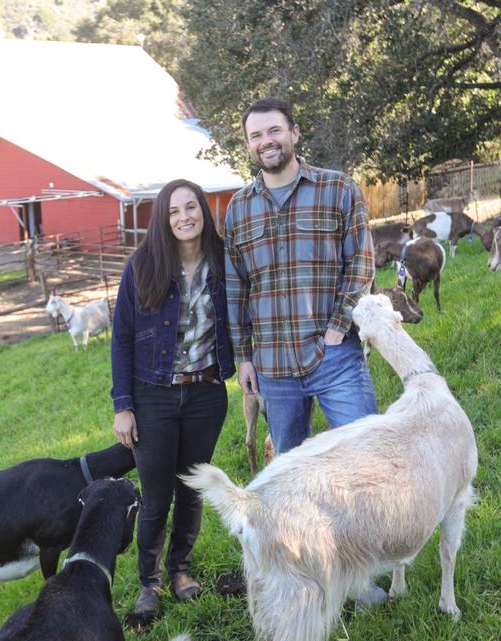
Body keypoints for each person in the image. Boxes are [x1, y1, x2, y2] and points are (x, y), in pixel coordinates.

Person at [110, 178, 235, 627]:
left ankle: (180, 570)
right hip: (152, 396)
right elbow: (122, 338)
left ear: (204, 210)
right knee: (157, 495)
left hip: (206, 393)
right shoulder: (142, 266)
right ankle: (150, 583)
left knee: (191, 487)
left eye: (191, 207)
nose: (184, 217)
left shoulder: (224, 262)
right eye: (174, 211)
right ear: (163, 220)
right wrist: (123, 405)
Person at [224, 97, 378, 454]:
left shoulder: (338, 189)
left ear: (294, 132)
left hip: (335, 357)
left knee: (367, 454)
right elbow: (236, 287)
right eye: (256, 135)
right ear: (248, 144)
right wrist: (243, 356)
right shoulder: (239, 208)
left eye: (274, 130)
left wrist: (337, 329)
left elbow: (361, 263)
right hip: (273, 366)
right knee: (289, 468)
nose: (266, 141)